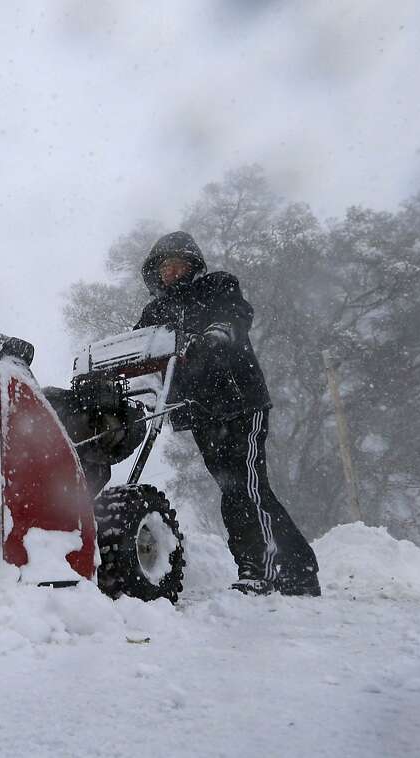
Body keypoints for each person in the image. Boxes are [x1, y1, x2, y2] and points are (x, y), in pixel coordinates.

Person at [135, 231, 320, 596]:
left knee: (246, 488)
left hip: (239, 402)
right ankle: (298, 570)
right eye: (166, 267)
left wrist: (216, 334)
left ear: (193, 265)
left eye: (179, 264)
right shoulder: (154, 312)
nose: (172, 272)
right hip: (201, 412)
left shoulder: (217, 286)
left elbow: (233, 315)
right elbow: (140, 347)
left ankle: (261, 571)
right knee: (236, 489)